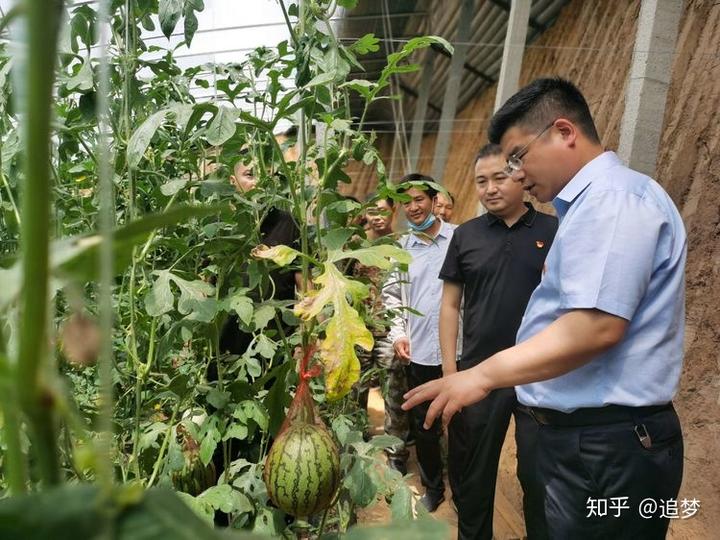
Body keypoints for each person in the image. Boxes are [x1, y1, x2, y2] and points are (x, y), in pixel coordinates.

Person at [403, 77, 687, 539]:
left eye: (517, 157)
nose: (515, 175)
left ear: (564, 132)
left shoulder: (613, 201)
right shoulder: (589, 207)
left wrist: (479, 375)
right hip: (582, 442)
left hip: (605, 446)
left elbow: (593, 328)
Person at [439, 143, 557, 539]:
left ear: (521, 178)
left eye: (499, 178)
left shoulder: (552, 230)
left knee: (539, 476)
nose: (490, 188)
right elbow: (450, 306)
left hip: (537, 375)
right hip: (476, 377)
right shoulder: (466, 236)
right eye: (481, 181)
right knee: (474, 476)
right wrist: (451, 372)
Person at [383, 174, 456, 512]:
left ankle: (465, 486)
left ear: (433, 199)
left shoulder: (458, 239)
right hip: (420, 352)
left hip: (458, 351)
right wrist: (399, 333)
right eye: (406, 202)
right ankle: (433, 487)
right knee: (425, 424)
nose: (413, 207)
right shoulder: (402, 249)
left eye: (419, 200)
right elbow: (393, 296)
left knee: (462, 423)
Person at [353, 196, 411, 472]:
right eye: (372, 210)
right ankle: (355, 443)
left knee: (395, 394)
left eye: (383, 211)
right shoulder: (355, 245)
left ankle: (396, 453)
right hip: (359, 330)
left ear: (394, 211)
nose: (378, 216)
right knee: (356, 390)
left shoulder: (401, 244)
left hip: (390, 331)